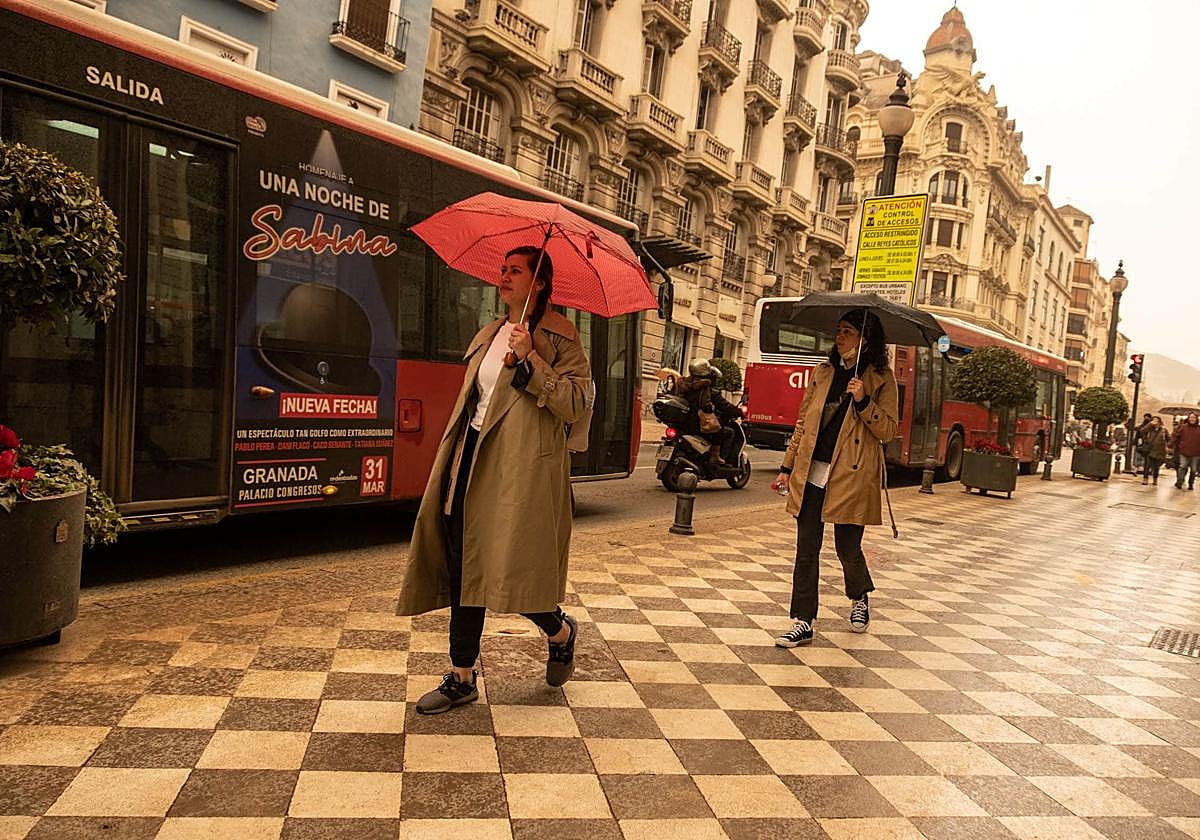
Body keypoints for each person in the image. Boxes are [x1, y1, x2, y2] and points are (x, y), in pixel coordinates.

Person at [398, 246, 592, 714]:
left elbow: (575, 405)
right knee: (466, 564)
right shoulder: (489, 333)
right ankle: (462, 676)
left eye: (515, 271)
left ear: (539, 282)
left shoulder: (562, 340)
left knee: (511, 569)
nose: (503, 277)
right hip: (469, 458)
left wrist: (533, 361)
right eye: (503, 269)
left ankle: (559, 629)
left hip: (519, 471)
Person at [773, 309, 899, 647]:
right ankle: (802, 620)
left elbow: (887, 431)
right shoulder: (823, 372)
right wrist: (787, 467)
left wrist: (863, 400)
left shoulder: (881, 378)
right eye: (838, 330)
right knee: (806, 549)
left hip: (851, 475)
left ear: (864, 339)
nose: (838, 337)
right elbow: (803, 423)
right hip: (813, 472)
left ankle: (859, 597)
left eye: (847, 331)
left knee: (847, 548)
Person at [676, 358, 739, 465]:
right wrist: (738, 412)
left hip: (684, 423)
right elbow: (707, 405)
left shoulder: (683, 384)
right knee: (725, 431)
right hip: (698, 423)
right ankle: (715, 456)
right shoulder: (705, 387)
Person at [1172, 412, 1200, 490]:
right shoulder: (1183, 427)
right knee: (1182, 466)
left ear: (1196, 419)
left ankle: (1191, 483)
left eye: (1194, 417)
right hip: (1184, 451)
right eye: (1191, 417)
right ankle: (1179, 482)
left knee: (1194, 470)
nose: (1192, 419)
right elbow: (1175, 436)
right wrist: (1171, 444)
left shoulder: (1199, 429)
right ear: (1188, 418)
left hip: (1196, 453)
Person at [1139, 415, 1168, 486]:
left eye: (1157, 420)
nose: (1155, 422)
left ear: (1160, 422)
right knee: (1147, 465)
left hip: (1159, 450)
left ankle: (1155, 479)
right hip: (1149, 449)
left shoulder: (1164, 430)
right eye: (1153, 420)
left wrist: (1167, 447)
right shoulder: (1149, 429)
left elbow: (1168, 438)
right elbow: (1142, 431)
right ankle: (1145, 479)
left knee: (1156, 466)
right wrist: (1149, 424)